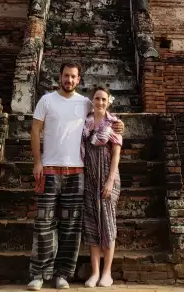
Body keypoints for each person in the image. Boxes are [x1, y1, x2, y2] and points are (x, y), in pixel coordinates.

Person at [28, 62, 124, 290]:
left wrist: (121, 125)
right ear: (59, 77)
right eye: (66, 76)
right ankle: (39, 274)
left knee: (71, 226)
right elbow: (34, 130)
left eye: (73, 77)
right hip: (49, 170)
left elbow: (106, 115)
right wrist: (37, 162)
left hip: (76, 173)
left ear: (78, 79)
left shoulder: (85, 103)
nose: (69, 80)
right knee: (44, 223)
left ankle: (62, 274)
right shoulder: (47, 100)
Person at [82, 86, 122, 288]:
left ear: (108, 101)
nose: (100, 102)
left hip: (108, 177)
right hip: (89, 178)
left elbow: (116, 154)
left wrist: (110, 179)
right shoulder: (86, 122)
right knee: (91, 225)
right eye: (97, 98)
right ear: (92, 100)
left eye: (104, 99)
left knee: (107, 223)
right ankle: (95, 272)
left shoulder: (114, 123)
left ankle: (107, 272)